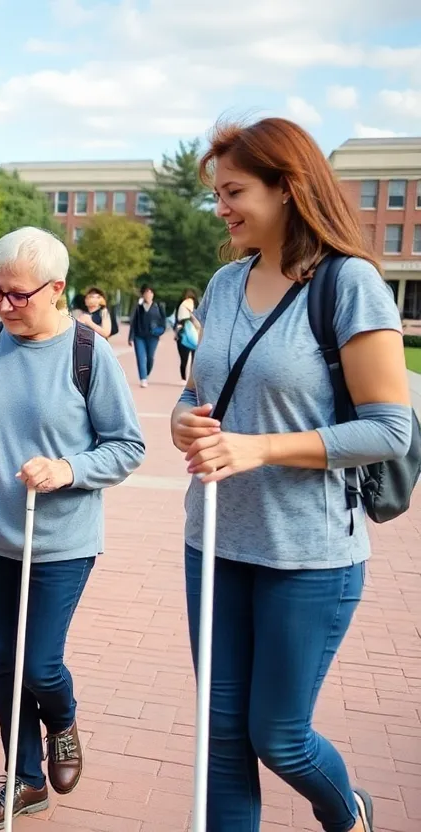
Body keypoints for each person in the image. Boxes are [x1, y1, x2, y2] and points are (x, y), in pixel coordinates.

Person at [173, 117, 414, 832]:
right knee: (221, 741)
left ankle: (349, 812)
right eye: (217, 193)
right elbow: (197, 391)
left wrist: (262, 448)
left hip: (307, 554)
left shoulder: (350, 283)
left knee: (276, 736)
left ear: (289, 187)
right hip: (213, 541)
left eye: (235, 191)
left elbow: (389, 428)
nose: (222, 207)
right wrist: (184, 419)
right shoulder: (224, 282)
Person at [0, 228, 145, 829]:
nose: (1, 304)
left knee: (40, 664)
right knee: (4, 658)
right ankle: (24, 778)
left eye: (16, 294)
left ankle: (62, 718)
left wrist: (68, 469)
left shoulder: (89, 353)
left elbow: (127, 446)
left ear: (56, 289)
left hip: (61, 542)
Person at [128, 284, 167, 387]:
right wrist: (130, 337)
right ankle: (143, 378)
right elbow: (133, 322)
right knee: (141, 357)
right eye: (146, 292)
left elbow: (163, 321)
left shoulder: (158, 306)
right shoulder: (138, 307)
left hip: (153, 337)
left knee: (150, 357)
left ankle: (146, 373)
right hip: (139, 336)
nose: (148, 294)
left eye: (150, 292)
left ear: (153, 294)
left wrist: (161, 330)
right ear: (143, 294)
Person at [174, 288, 198, 382]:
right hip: (190, 335)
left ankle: (186, 379)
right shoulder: (183, 308)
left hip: (186, 334)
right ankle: (187, 379)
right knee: (189, 359)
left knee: (187, 359)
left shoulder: (182, 306)